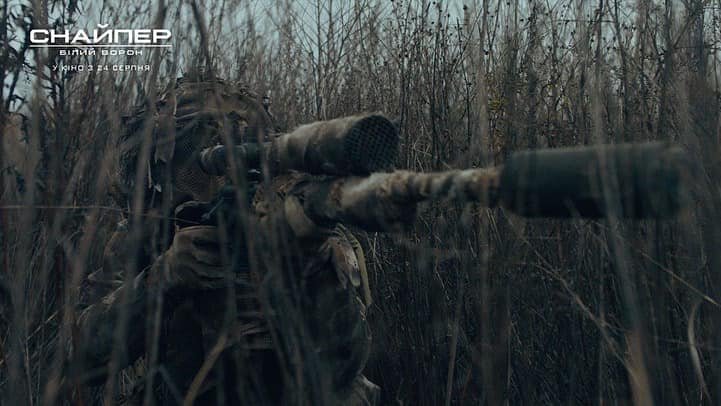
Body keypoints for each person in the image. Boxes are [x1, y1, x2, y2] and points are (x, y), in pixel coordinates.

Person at [72, 73, 380, 405]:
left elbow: (347, 361)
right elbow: (81, 355)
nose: (221, 175)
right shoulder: (146, 232)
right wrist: (163, 279)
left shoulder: (298, 223)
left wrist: (310, 263)